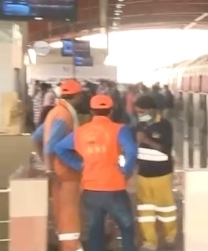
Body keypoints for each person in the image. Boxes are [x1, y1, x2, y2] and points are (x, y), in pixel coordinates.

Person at [53, 94, 138, 251]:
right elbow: (132, 151)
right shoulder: (120, 129)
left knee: (95, 230)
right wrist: (126, 170)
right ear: (111, 111)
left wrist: (78, 164)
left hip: (91, 189)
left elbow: (59, 148)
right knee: (126, 227)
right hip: (115, 188)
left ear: (91, 111)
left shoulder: (80, 132)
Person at [30, 79, 85, 251]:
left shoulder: (54, 112)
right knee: (69, 212)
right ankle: (71, 247)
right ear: (77, 96)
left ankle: (66, 245)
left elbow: (36, 138)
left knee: (61, 211)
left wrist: (47, 164)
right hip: (66, 172)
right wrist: (48, 167)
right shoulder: (65, 115)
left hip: (57, 171)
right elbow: (51, 145)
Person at [134, 95, 178, 250]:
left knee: (166, 208)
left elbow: (165, 148)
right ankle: (149, 242)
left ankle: (170, 236)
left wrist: (146, 140)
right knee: (145, 209)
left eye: (142, 112)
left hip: (162, 174)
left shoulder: (164, 125)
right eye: (137, 112)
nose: (139, 115)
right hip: (143, 174)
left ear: (152, 110)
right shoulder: (140, 125)